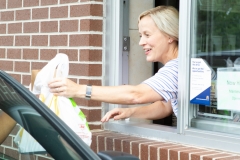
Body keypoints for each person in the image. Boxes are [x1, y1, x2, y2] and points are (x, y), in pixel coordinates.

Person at [48, 5, 179, 123]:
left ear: (169, 36)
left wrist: (79, 90)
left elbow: (136, 94)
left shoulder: (177, 68)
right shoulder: (177, 66)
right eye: (140, 36)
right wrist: (130, 112)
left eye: (147, 35)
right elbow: (165, 107)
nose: (141, 42)